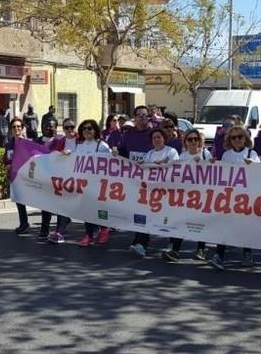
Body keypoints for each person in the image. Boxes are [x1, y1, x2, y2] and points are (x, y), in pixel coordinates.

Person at [208, 124, 261, 271]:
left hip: (247, 197)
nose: (237, 140)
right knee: (224, 225)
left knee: (246, 226)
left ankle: (247, 253)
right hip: (229, 197)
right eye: (233, 137)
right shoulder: (227, 155)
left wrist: (254, 166)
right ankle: (219, 255)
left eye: (240, 136)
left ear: (245, 138)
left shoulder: (252, 154)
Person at [161, 129, 212, 262]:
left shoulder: (206, 154)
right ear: (185, 142)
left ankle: (201, 249)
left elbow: (213, 171)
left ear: (200, 141)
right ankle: (175, 250)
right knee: (181, 221)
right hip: (185, 195)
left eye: (196, 139)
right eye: (190, 139)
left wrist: (204, 163)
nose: (193, 142)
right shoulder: (182, 157)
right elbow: (175, 173)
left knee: (200, 221)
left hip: (202, 194)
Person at [117, 105, 156, 257]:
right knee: (137, 209)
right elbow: (123, 153)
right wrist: (116, 152)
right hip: (132, 178)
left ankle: (141, 242)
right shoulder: (128, 134)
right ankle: (139, 239)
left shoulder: (153, 133)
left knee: (144, 209)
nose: (142, 118)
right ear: (134, 118)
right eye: (139, 115)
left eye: (145, 115)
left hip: (150, 178)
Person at [74, 119, 112, 246]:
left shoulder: (102, 146)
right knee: (87, 210)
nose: (86, 131)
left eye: (89, 128)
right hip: (84, 184)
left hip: (100, 184)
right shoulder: (79, 146)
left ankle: (104, 229)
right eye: (84, 128)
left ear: (95, 130)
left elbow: (110, 165)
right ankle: (88, 235)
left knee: (100, 208)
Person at [42, 119, 80, 244]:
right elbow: (51, 155)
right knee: (61, 203)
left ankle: (95, 231)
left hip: (80, 178)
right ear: (63, 129)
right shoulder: (60, 141)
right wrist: (60, 154)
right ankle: (59, 231)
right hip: (64, 178)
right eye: (67, 128)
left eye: (72, 127)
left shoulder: (81, 140)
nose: (70, 130)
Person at [3, 117, 32, 235]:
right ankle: (24, 224)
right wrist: (7, 165)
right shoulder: (9, 144)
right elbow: (6, 158)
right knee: (19, 201)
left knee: (39, 200)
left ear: (22, 128)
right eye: (14, 127)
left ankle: (46, 227)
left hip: (27, 177)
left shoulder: (28, 143)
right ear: (11, 129)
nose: (16, 129)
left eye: (19, 126)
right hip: (15, 178)